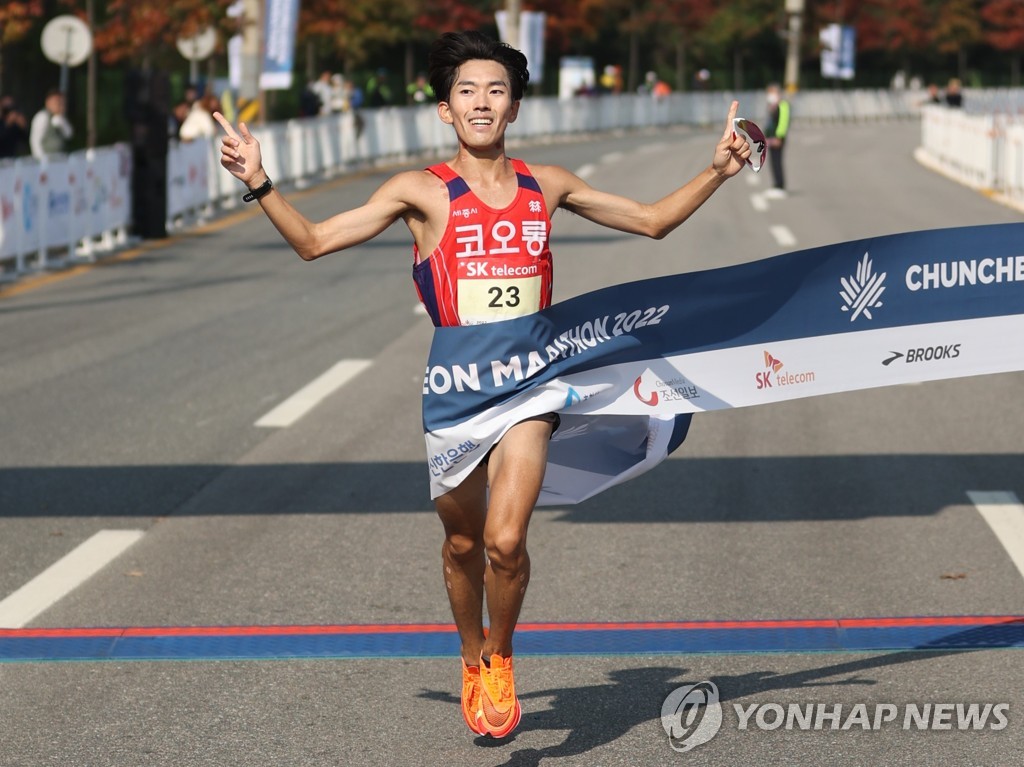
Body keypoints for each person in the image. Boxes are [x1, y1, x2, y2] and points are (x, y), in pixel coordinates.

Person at [214, 30, 750, 739]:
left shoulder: (546, 185)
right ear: (446, 110)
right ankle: (469, 654)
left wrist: (715, 171)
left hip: (533, 387)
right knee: (463, 545)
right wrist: (259, 180)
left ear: (515, 107)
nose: (482, 101)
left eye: (496, 90)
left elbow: (650, 222)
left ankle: (500, 653)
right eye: (467, 90)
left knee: (505, 541)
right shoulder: (421, 192)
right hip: (456, 392)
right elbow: (313, 241)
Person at [764, 82, 790, 198]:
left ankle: (780, 186)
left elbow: (783, 122)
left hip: (778, 139)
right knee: (773, 162)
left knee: (777, 161)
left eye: (771, 92)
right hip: (771, 139)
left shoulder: (782, 105)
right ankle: (776, 185)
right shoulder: (772, 106)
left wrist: (779, 137)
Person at [29, 89, 73, 160]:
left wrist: (61, 122)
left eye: (62, 103)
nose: (60, 105)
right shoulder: (42, 117)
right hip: (47, 161)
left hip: (61, 159)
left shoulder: (60, 118)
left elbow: (69, 135)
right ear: (48, 102)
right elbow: (35, 141)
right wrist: (42, 160)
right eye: (57, 102)